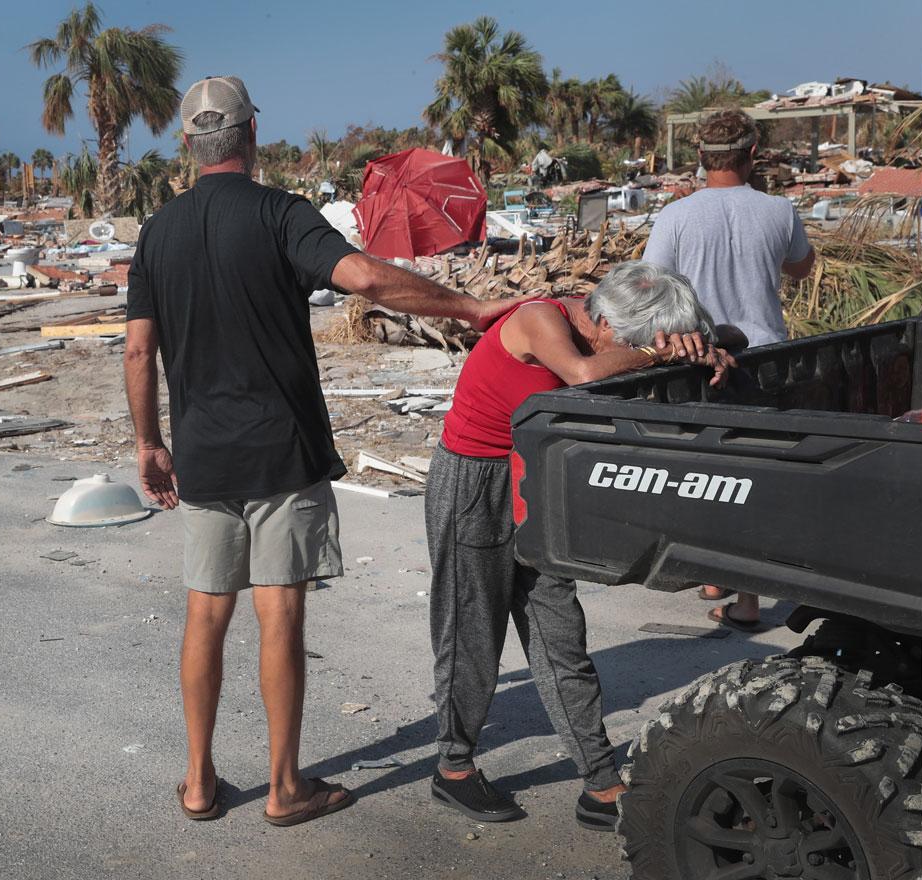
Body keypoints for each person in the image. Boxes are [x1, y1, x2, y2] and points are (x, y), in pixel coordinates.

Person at [124, 75, 532, 827]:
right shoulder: (282, 214)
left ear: (188, 145)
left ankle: (198, 782)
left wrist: (150, 442)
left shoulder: (159, 231)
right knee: (280, 614)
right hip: (281, 450)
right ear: (252, 134)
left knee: (204, 616)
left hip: (204, 454)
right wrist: (471, 308)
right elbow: (366, 277)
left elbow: (137, 351)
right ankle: (283, 788)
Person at [426, 261, 733, 831]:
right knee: (472, 628)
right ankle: (453, 767)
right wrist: (659, 355)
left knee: (560, 631)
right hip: (473, 480)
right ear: (607, 324)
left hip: (533, 478)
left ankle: (599, 781)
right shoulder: (540, 317)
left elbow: (731, 336)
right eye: (636, 343)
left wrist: (701, 346)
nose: (641, 352)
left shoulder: (606, 329)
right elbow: (582, 373)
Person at [643, 108, 815, 630]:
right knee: (753, 477)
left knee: (704, 475)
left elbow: (651, 286)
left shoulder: (676, 216)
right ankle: (737, 591)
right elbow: (801, 266)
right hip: (765, 361)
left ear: (699, 158)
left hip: (699, 361)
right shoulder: (779, 211)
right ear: (753, 155)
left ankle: (726, 585)